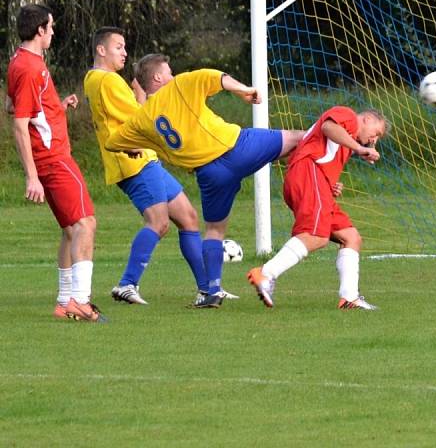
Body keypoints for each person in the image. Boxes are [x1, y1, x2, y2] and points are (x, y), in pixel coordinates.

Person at [105, 53, 304, 308]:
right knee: (301, 138)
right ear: (158, 77)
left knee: (213, 230)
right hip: (235, 148)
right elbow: (214, 77)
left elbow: (113, 142)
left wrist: (132, 146)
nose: (173, 75)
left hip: (209, 174)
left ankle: (212, 290)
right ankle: (346, 152)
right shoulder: (178, 86)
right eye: (168, 71)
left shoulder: (141, 121)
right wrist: (244, 90)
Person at [84, 27, 214, 306]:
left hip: (144, 160)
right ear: (101, 49)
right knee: (159, 222)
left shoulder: (95, 80)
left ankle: (208, 289)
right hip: (134, 162)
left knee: (189, 217)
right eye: (118, 47)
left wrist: (140, 95)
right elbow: (142, 120)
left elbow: (134, 116)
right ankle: (127, 284)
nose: (124, 52)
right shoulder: (108, 81)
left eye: (124, 47)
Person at [6, 4, 105, 322]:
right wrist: (31, 177)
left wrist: (56, 108)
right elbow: (19, 124)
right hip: (54, 159)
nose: (53, 32)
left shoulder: (22, 62)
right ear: (39, 30)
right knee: (86, 224)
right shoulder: (30, 67)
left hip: (51, 156)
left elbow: (16, 105)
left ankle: (65, 303)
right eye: (50, 27)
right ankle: (80, 300)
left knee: (69, 230)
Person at [247, 106, 388, 310]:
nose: (375, 140)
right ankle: (266, 273)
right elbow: (328, 127)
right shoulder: (348, 116)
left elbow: (322, 154)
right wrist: (359, 149)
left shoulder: (347, 145)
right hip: (307, 173)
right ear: (366, 119)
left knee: (351, 237)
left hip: (313, 180)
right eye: (377, 133)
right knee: (316, 236)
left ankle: (349, 297)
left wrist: (331, 185)